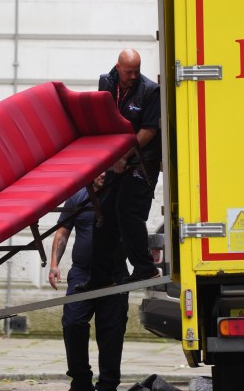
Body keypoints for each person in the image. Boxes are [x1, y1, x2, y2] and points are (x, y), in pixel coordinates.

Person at [76, 48, 161, 292]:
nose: (133, 76)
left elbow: (148, 131)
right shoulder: (107, 82)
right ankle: (101, 276)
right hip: (115, 160)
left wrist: (124, 156)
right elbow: (103, 119)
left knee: (128, 212)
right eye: (128, 72)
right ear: (118, 67)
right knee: (102, 217)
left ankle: (146, 269)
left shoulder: (149, 90)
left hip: (141, 162)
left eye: (137, 71)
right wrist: (102, 161)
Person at [49, 172, 130, 391]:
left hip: (115, 275)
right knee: (73, 323)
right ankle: (81, 381)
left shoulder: (121, 193)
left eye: (108, 168)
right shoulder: (77, 197)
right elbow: (63, 232)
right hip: (81, 273)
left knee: (111, 331)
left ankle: (108, 385)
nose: (103, 173)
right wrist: (54, 264)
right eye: (99, 169)